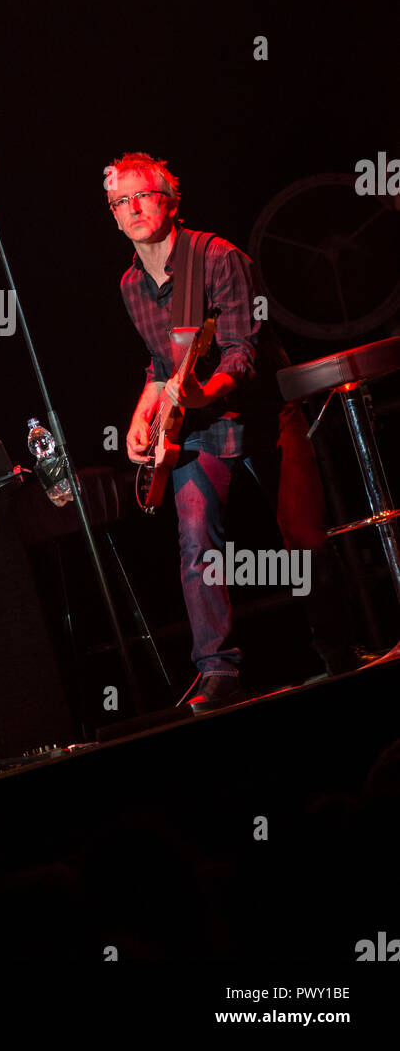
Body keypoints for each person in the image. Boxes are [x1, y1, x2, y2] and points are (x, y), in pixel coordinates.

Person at [107, 151, 363, 713]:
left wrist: (202, 392)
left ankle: (339, 656)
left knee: (302, 532)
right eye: (121, 202)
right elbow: (159, 362)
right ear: (115, 217)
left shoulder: (217, 257)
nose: (134, 207)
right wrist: (142, 412)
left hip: (261, 407)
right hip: (197, 427)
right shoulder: (129, 284)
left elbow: (241, 353)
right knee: (195, 538)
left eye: (143, 195)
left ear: (169, 201)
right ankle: (218, 672)